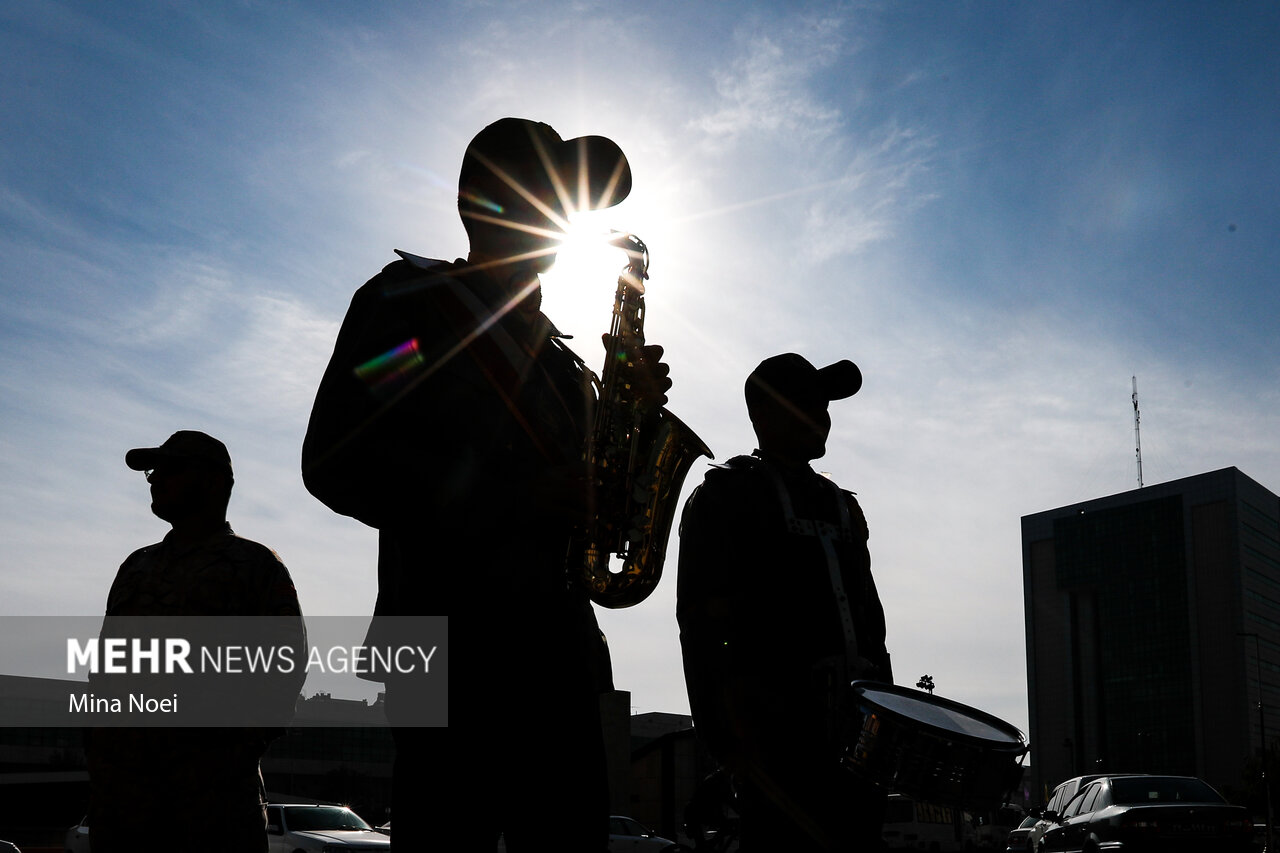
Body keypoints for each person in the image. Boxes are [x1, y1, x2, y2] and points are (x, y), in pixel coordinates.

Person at [302, 117, 672, 851]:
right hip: (450, 655)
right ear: (487, 201)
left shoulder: (568, 372)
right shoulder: (412, 307)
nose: (567, 220)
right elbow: (338, 456)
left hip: (558, 663)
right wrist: (510, 497)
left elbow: (596, 521)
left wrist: (630, 429)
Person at [677, 353, 893, 851]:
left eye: (825, 405)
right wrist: (727, 745)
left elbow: (872, 627)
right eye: (810, 404)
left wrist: (884, 722)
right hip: (775, 749)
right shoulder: (724, 496)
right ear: (768, 415)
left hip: (855, 750)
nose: (825, 417)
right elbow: (701, 629)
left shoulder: (844, 505)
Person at [84, 430, 305, 853]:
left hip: (210, 810)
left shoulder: (254, 565)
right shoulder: (137, 565)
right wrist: (98, 747)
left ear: (214, 481)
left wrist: (231, 751)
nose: (154, 479)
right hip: (123, 805)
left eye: (170, 468)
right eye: (153, 471)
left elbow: (284, 665)